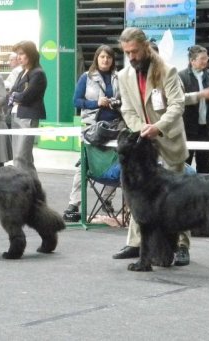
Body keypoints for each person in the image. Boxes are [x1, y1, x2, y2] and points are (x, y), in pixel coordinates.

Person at [112, 27, 191, 266]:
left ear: (146, 47)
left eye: (135, 51)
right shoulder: (124, 75)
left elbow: (177, 106)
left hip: (168, 141)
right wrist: (140, 131)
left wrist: (157, 126)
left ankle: (181, 245)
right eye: (127, 53)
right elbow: (126, 109)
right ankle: (136, 244)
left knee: (177, 198)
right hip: (142, 142)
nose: (132, 57)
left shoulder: (167, 71)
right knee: (140, 195)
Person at [64, 44, 123, 221]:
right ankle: (73, 205)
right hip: (92, 127)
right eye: (102, 57)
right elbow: (76, 101)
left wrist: (117, 103)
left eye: (109, 57)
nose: (105, 60)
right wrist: (96, 103)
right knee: (84, 163)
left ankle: (106, 199)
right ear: (96, 58)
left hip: (116, 127)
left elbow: (126, 101)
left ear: (113, 60)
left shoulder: (119, 78)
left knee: (118, 162)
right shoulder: (86, 77)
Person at [178, 45, 209, 174]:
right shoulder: (180, 76)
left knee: (204, 164)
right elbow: (178, 100)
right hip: (188, 128)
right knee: (184, 165)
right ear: (192, 61)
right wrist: (200, 95)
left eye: (206, 57)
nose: (206, 61)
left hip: (208, 128)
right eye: (202, 58)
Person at [7, 40, 47, 177]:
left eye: (22, 54)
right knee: (24, 159)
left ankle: (21, 190)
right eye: (17, 54)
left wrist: (15, 95)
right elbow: (12, 93)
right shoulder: (21, 72)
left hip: (27, 117)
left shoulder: (38, 73)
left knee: (20, 158)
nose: (18, 57)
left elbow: (25, 97)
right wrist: (15, 95)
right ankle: (34, 189)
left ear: (31, 54)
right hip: (15, 115)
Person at [3, 51, 23, 128]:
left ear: (17, 60)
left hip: (14, 103)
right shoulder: (19, 70)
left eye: (11, 60)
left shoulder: (16, 71)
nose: (9, 62)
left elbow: (12, 87)